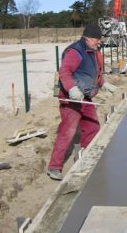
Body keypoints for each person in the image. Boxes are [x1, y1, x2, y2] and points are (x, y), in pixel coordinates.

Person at [47, 23, 104, 180]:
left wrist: (102, 83)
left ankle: (85, 156)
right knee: (68, 131)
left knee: (92, 125)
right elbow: (64, 71)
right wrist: (72, 89)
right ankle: (54, 167)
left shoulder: (92, 51)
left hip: (85, 97)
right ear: (87, 38)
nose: (98, 42)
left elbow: (96, 70)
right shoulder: (75, 51)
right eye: (96, 39)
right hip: (70, 97)